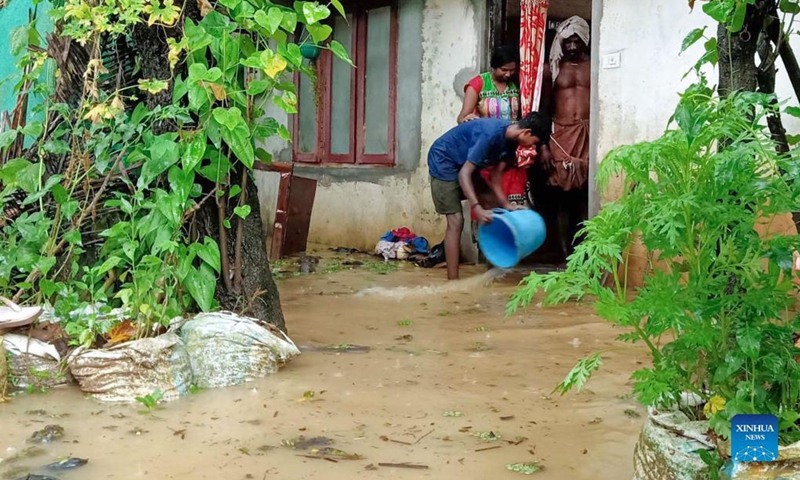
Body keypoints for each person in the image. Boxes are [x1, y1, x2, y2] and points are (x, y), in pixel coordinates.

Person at [428, 113, 552, 280]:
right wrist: (476, 207)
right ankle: (453, 281)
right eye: (535, 143)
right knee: (456, 221)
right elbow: (465, 174)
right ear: (526, 133)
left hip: (464, 163)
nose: (533, 148)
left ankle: (493, 269)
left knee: (493, 204)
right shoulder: (489, 134)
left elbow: (495, 177)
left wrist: (507, 205)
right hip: (443, 161)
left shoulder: (511, 142)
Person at [457, 46, 530, 248]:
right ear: (494, 67)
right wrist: (470, 119)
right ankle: (490, 249)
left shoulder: (517, 84)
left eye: (511, 70)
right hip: (486, 153)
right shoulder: (478, 84)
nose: (507, 74)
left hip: (510, 155)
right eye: (503, 70)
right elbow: (462, 117)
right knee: (490, 202)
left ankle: (513, 249)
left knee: (512, 201)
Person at [539, 15, 591, 262]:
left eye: (576, 41)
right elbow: (543, 110)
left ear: (585, 40)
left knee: (585, 196)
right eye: (567, 42)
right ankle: (563, 255)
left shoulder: (595, 66)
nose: (571, 46)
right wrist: (543, 145)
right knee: (561, 198)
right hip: (560, 136)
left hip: (587, 136)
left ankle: (585, 253)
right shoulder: (552, 70)